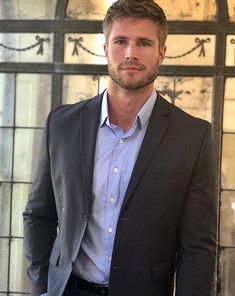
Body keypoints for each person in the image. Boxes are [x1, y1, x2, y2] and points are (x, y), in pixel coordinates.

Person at [23, 0, 217, 295]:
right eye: (120, 41)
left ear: (161, 53)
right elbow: (39, 215)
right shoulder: (61, 125)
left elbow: (198, 248)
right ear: (105, 49)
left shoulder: (192, 136)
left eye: (143, 43)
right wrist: (40, 287)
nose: (130, 53)